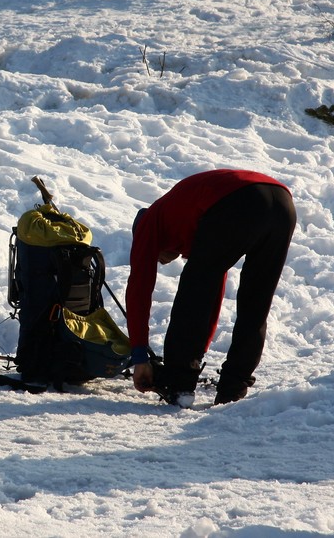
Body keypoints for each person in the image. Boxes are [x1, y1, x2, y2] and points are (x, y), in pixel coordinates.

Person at [125, 169, 296, 407]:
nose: (161, 261)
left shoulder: (149, 222)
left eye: (157, 257)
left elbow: (138, 291)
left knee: (192, 292)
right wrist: (197, 354)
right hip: (283, 205)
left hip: (240, 200)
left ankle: (179, 385)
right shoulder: (189, 219)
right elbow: (213, 293)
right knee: (256, 301)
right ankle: (233, 389)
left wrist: (140, 356)